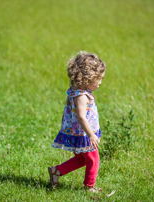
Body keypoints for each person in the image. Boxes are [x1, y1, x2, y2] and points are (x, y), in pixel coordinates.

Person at [48, 51, 106, 192]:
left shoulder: (76, 89)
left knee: (81, 159)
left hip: (78, 132)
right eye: (98, 79)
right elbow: (81, 117)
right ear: (87, 78)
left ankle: (56, 171)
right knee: (93, 159)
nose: (100, 83)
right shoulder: (81, 96)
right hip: (83, 134)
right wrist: (91, 135)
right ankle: (89, 186)